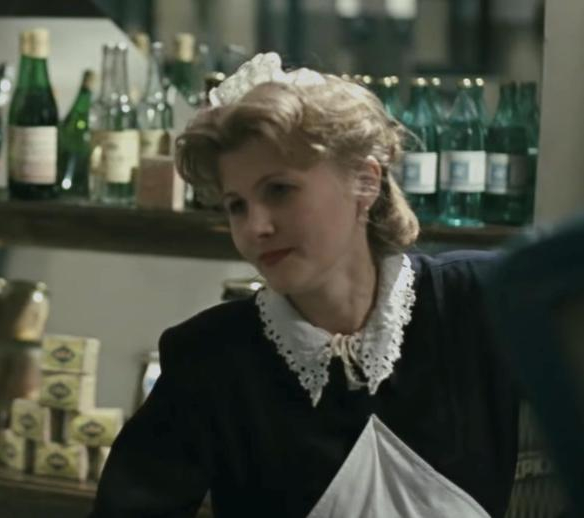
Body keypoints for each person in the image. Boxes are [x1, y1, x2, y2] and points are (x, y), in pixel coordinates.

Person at [90, 53, 519, 518]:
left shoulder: (476, 300)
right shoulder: (210, 359)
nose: (255, 227)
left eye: (279, 190)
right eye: (236, 205)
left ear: (365, 182)